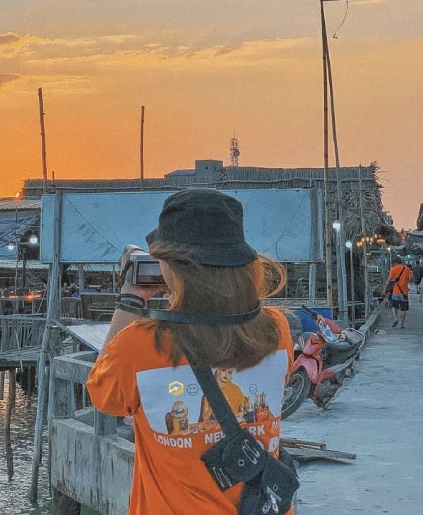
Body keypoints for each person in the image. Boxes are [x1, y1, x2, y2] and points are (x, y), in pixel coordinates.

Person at [86, 189, 294, 514]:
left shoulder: (139, 345)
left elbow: (103, 396)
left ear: (174, 269)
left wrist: (131, 298)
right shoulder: (276, 329)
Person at [388, 256, 412, 329]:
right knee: (403, 309)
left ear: (395, 262)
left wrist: (385, 288)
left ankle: (395, 318)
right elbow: (410, 279)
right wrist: (405, 281)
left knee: (393, 306)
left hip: (395, 291)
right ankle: (402, 324)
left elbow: (389, 280)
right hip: (404, 292)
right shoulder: (407, 269)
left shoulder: (393, 269)